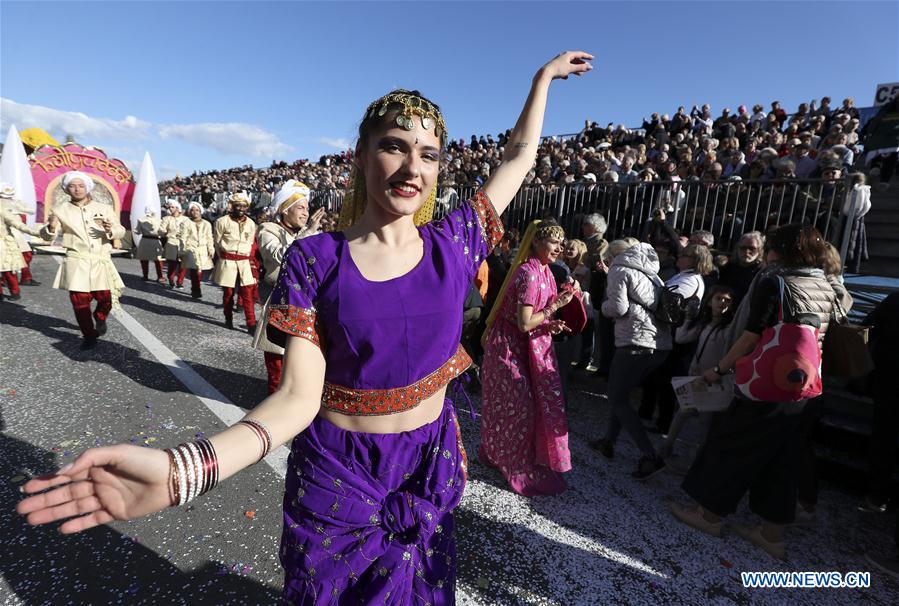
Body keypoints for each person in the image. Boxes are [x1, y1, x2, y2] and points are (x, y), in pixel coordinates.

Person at [17, 53, 594, 605]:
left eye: (428, 153)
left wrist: (541, 81)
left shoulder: (457, 244)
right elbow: (296, 398)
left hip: (426, 466)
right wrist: (183, 471)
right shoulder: (316, 259)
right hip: (338, 476)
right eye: (393, 146)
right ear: (361, 158)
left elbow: (519, 157)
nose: (412, 167)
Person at [671, 224, 840, 561]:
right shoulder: (823, 282)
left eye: (772, 246)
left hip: (765, 382)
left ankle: (709, 515)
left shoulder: (775, 281)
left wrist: (719, 368)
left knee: (731, 445)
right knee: (782, 459)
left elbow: (750, 335)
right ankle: (770, 534)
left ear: (782, 250)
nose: (767, 252)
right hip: (804, 385)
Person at [480, 220, 575, 496]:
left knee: (516, 404)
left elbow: (533, 319)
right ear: (535, 242)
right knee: (518, 406)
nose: (560, 247)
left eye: (562, 241)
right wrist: (556, 307)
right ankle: (513, 463)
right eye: (554, 241)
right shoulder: (530, 274)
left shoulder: (546, 271)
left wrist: (549, 325)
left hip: (524, 347)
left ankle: (499, 453)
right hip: (508, 347)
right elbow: (523, 323)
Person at [591, 239, 672, 479]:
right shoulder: (652, 273)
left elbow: (618, 309)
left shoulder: (619, 269)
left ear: (614, 256)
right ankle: (608, 442)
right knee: (621, 395)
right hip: (660, 344)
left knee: (617, 398)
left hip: (634, 342)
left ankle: (650, 455)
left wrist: (602, 306)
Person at [38, 172, 126, 350]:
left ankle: (100, 317)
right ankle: (89, 335)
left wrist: (112, 230)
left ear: (87, 187)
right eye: (72, 186)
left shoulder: (104, 207)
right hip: (76, 261)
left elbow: (120, 230)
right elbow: (46, 235)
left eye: (80, 185)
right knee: (80, 303)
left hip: (100, 260)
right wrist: (51, 227)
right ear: (66, 189)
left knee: (106, 298)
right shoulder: (60, 210)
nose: (77, 189)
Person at [253, 180, 321, 394]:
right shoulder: (268, 229)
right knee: (278, 367)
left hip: (308, 305)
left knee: (304, 365)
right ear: (285, 210)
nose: (305, 213)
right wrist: (308, 234)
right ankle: (274, 415)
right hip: (281, 303)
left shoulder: (309, 234)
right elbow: (282, 257)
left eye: (307, 208)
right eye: (300, 208)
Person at [213, 193, 258, 331]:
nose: (241, 208)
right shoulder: (222, 221)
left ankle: (251, 323)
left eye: (243, 206)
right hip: (228, 261)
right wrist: (223, 257)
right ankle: (228, 318)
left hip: (244, 261)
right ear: (232, 206)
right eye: (238, 205)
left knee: (247, 293)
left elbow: (250, 242)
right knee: (228, 293)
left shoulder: (251, 223)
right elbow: (217, 242)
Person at [0, 184, 44, 301]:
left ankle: (16, 289)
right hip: (10, 237)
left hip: (8, 239)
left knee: (11, 266)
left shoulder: (8, 206)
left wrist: (37, 233)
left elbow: (23, 219)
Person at [180, 201, 215, 299]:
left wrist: (211, 249)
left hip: (203, 249)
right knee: (194, 269)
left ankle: (196, 287)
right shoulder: (186, 223)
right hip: (191, 248)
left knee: (200, 271)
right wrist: (182, 250)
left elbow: (209, 237)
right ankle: (196, 290)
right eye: (192, 210)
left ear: (200, 211)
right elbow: (183, 237)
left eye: (197, 210)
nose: (195, 212)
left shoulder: (207, 224)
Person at [718, 231, 764, 304]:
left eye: (752, 248)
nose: (747, 252)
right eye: (743, 248)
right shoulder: (726, 268)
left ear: (760, 251)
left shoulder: (762, 273)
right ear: (737, 249)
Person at [159, 201, 190, 289]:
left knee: (184, 264)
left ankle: (180, 281)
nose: (170, 209)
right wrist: (162, 231)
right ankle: (171, 279)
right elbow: (162, 229)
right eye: (169, 207)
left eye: (172, 207)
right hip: (171, 241)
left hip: (183, 242)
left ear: (177, 208)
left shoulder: (185, 219)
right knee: (172, 263)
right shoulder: (166, 219)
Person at [134, 210, 165, 283]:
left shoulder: (141, 220)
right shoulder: (159, 220)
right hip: (156, 241)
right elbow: (162, 232)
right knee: (158, 260)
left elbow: (137, 231)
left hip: (145, 240)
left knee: (144, 260)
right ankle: (160, 276)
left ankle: (145, 276)